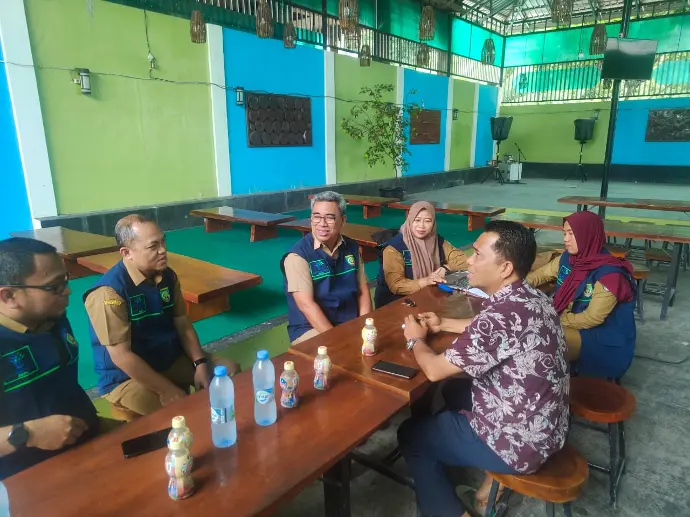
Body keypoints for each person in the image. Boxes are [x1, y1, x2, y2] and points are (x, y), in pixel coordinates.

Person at [399, 221, 569, 517]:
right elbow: (497, 329)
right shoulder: (532, 297)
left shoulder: (499, 317)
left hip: (518, 445)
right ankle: (485, 485)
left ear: (505, 268)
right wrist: (444, 323)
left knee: (411, 434)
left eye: (478, 254)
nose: (469, 260)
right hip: (548, 427)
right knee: (455, 390)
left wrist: (415, 339)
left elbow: (434, 370)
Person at [84, 214, 238, 417]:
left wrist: (200, 363)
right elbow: (121, 356)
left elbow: (183, 324)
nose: (163, 250)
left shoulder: (168, 276)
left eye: (163, 241)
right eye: (153, 246)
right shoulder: (108, 293)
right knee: (179, 413)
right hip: (125, 377)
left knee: (229, 371)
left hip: (167, 359)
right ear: (127, 253)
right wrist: (167, 390)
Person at [0, 238, 99, 480]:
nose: (67, 291)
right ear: (8, 296)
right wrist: (29, 433)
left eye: (65, 280)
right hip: (27, 477)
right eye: (54, 286)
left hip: (87, 444)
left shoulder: (53, 318)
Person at [527, 211, 636, 379]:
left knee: (540, 337)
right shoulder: (568, 258)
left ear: (588, 235)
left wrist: (554, 319)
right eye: (564, 233)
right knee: (528, 326)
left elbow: (592, 318)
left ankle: (544, 385)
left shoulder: (610, 274)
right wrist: (515, 286)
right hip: (570, 320)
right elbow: (541, 275)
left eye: (572, 234)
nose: (566, 239)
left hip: (601, 336)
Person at [281, 191, 372, 345]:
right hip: (311, 327)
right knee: (338, 355)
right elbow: (306, 305)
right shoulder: (297, 256)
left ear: (342, 220)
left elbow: (363, 290)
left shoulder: (351, 247)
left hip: (348, 320)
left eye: (330, 217)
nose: (322, 224)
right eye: (316, 216)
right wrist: (339, 340)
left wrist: (364, 326)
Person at [374, 201, 469, 308]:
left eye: (427, 221)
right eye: (417, 220)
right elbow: (396, 285)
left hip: (429, 298)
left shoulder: (437, 241)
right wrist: (425, 281)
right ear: (410, 220)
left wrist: (445, 269)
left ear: (433, 223)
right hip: (395, 304)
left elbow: (465, 260)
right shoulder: (394, 248)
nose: (421, 226)